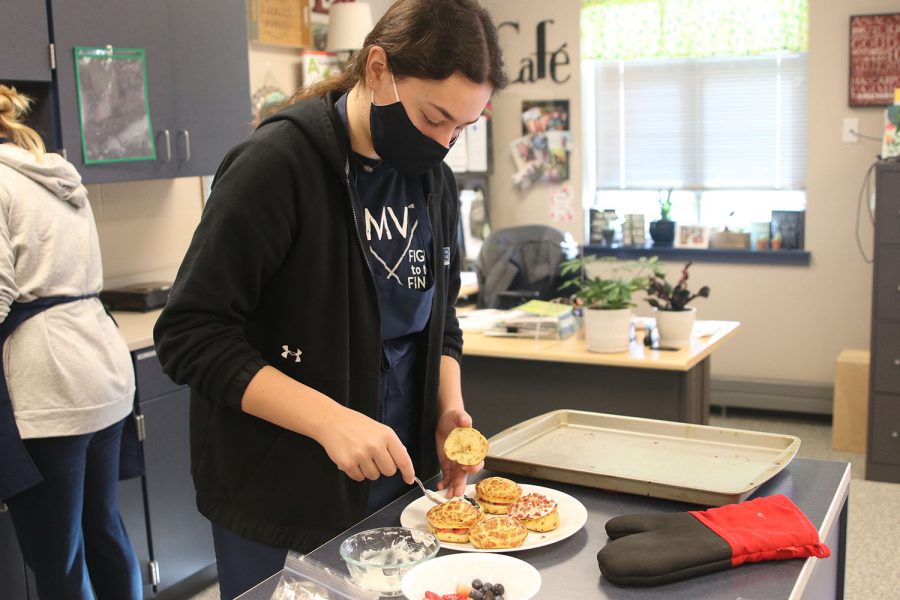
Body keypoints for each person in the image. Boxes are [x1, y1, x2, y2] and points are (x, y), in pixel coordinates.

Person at [152, 0, 507, 596]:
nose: (444, 143)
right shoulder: (277, 166)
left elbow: (439, 320)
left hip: (394, 486)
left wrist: (448, 408)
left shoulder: (432, 182)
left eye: (462, 128)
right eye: (434, 117)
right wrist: (330, 421)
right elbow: (191, 335)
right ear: (376, 70)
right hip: (281, 495)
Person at [0, 84, 141, 599]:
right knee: (103, 528)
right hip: (100, 366)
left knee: (57, 552)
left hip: (50, 379)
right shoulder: (54, 176)